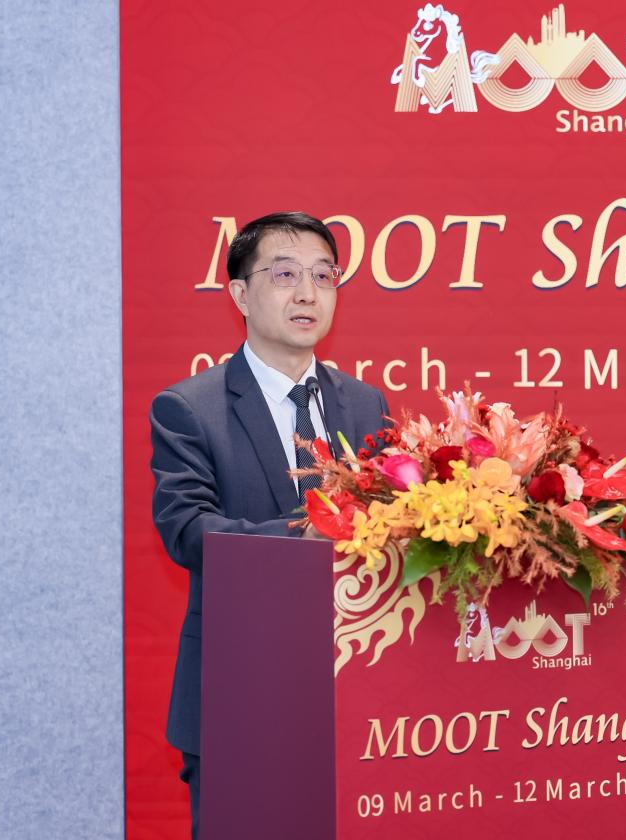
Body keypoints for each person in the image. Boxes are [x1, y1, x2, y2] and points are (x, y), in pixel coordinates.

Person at [149, 211, 390, 837]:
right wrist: (303, 537)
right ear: (239, 293)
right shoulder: (189, 408)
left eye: (323, 276)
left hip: (357, 692)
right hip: (241, 691)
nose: (308, 293)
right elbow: (187, 529)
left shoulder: (366, 405)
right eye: (285, 275)